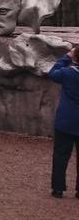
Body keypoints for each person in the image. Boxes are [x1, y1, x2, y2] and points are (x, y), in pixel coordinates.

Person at [48, 46, 79, 198]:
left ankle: (58, 189)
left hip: (66, 120)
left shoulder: (67, 73)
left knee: (60, 155)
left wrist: (66, 57)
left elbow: (53, 73)